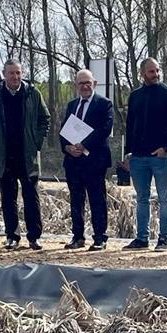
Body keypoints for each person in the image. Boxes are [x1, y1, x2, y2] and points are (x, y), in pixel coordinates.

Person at [0, 59, 51, 250]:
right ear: (4, 74)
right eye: (11, 73)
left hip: (27, 156)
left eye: (18, 73)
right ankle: (12, 236)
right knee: (8, 199)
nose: (15, 77)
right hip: (4, 156)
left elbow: (45, 119)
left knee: (32, 198)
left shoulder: (33, 94)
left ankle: (34, 237)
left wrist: (37, 141)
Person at [122, 58, 167, 251]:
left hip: (160, 156)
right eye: (151, 72)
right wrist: (127, 153)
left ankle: (164, 239)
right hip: (137, 156)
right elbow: (130, 125)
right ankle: (142, 238)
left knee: (165, 197)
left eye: (157, 71)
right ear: (142, 73)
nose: (155, 75)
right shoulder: (135, 96)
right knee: (142, 198)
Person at [59, 69, 114, 250]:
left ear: (94, 84)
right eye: (81, 83)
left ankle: (100, 238)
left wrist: (84, 145)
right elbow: (64, 130)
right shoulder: (72, 105)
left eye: (87, 83)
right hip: (73, 161)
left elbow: (104, 129)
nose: (84, 86)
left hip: (95, 160)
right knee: (76, 200)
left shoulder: (104, 104)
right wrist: (67, 147)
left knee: (97, 199)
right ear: (76, 85)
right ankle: (78, 237)